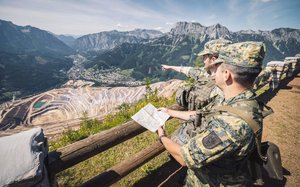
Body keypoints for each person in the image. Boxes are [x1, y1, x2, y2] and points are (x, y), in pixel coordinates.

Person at [157, 41, 265, 186]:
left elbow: (185, 156)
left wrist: (162, 135)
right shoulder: (241, 102)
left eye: (218, 68)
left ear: (226, 74)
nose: (214, 73)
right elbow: (204, 113)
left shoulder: (231, 125)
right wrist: (170, 112)